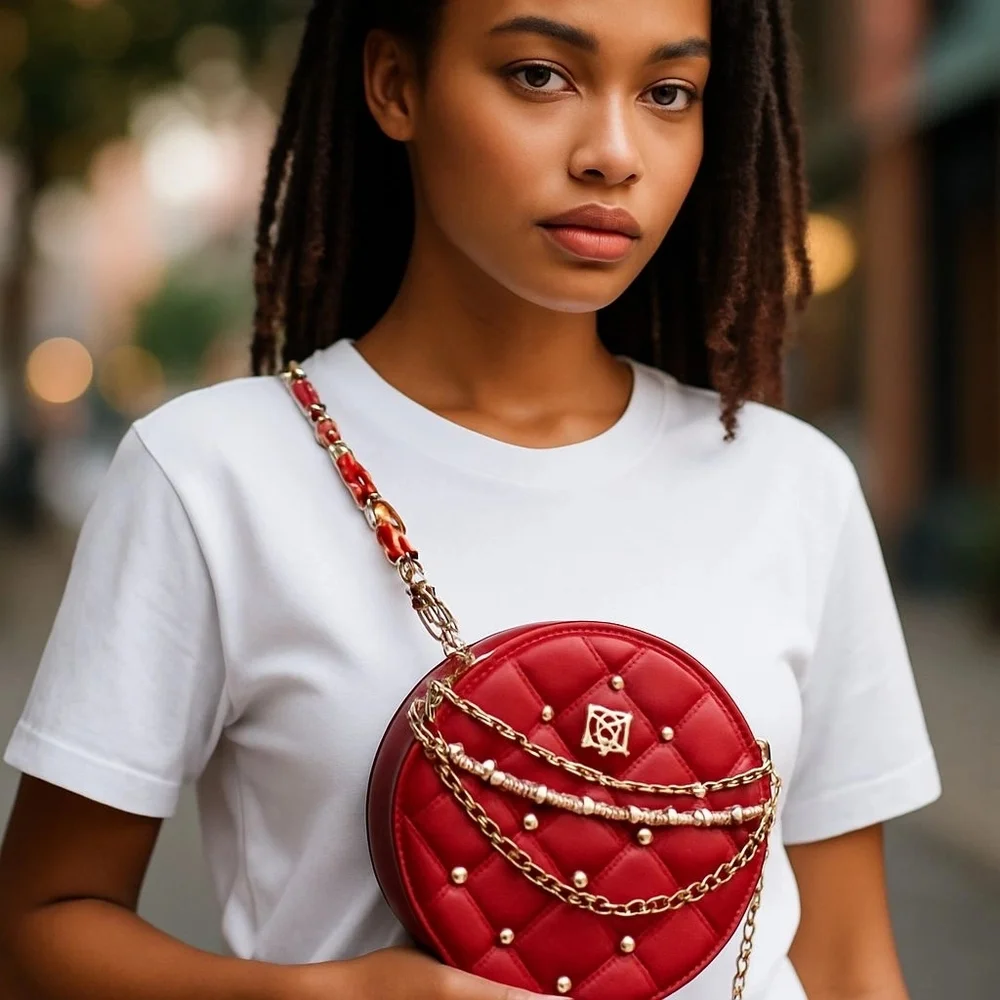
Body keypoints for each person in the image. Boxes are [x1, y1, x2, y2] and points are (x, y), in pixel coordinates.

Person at [0, 2, 941, 998]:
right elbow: (35, 930)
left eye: (668, 93)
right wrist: (327, 995)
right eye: (540, 76)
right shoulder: (211, 475)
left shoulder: (790, 483)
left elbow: (845, 960)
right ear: (396, 86)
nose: (613, 152)